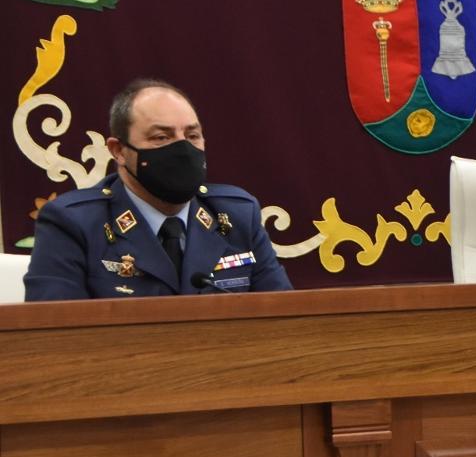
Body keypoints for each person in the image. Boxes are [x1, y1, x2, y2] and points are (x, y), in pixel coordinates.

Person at [24, 79, 293, 300]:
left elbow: (285, 322)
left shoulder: (237, 215)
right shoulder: (74, 223)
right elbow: (54, 341)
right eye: (161, 137)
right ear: (118, 151)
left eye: (191, 136)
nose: (182, 150)